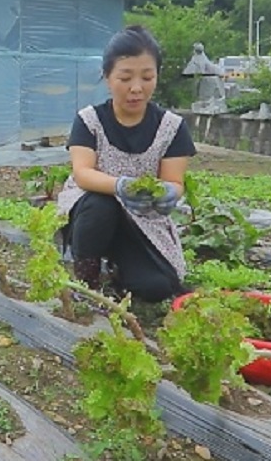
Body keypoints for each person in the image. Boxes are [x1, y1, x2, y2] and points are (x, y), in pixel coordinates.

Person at [55, 25, 196, 303]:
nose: (136, 88)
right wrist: (121, 186)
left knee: (157, 287)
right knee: (100, 203)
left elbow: (175, 182)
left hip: (141, 218)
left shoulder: (172, 127)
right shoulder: (89, 120)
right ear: (107, 77)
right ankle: (87, 278)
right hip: (91, 213)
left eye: (147, 77)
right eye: (125, 77)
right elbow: (83, 174)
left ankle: (120, 268)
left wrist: (167, 194)